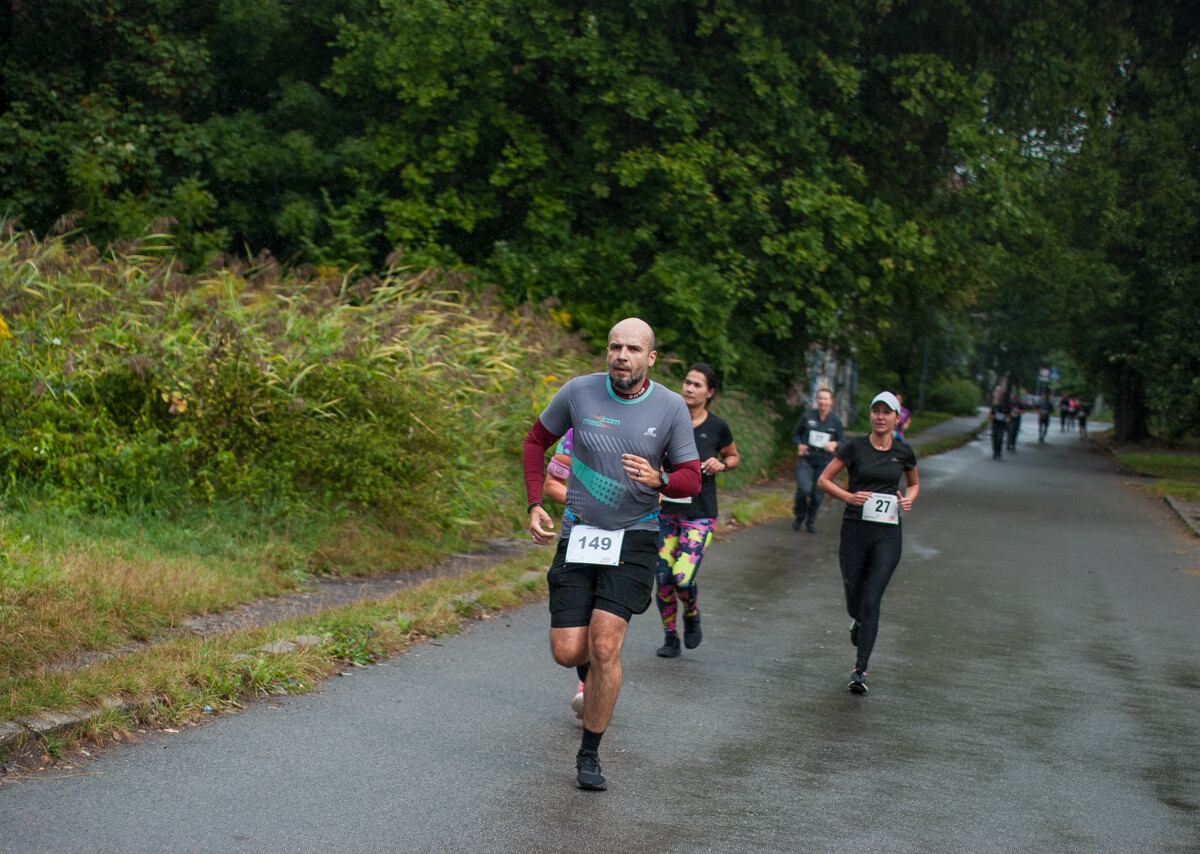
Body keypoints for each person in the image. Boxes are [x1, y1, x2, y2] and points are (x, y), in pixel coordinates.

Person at [523, 317, 701, 791]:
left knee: (606, 644)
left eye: (634, 349)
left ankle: (589, 755)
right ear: (607, 352)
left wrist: (659, 480)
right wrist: (535, 501)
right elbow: (535, 441)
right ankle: (588, 678)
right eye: (615, 347)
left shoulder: (669, 407)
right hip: (580, 531)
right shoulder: (578, 393)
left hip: (636, 535)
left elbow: (691, 477)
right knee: (569, 652)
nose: (623, 356)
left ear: (651, 357)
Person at [817, 391, 918, 694]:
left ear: (896, 417)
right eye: (876, 411)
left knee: (872, 599)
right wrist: (849, 497)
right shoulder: (854, 447)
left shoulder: (904, 451)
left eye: (887, 412)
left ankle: (860, 670)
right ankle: (858, 620)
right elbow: (824, 479)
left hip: (887, 532)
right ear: (871, 415)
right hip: (854, 530)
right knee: (855, 601)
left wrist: (908, 499)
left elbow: (913, 484)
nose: (880, 416)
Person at [655, 363, 739, 658]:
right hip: (666, 513)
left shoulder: (717, 427)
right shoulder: (668, 420)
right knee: (663, 578)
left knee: (682, 578)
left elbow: (733, 455)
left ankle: (691, 613)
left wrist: (722, 463)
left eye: (697, 385)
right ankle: (670, 636)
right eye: (687, 382)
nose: (689, 388)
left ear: (710, 392)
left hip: (700, 515)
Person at [791, 388, 844, 533]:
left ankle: (811, 521)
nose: (822, 402)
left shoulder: (835, 421)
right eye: (820, 398)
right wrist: (799, 444)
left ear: (831, 402)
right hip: (807, 458)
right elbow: (795, 434)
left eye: (825, 399)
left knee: (817, 493)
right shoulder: (807, 417)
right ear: (816, 400)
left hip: (824, 461)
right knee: (802, 489)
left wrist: (835, 444)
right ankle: (800, 516)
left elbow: (842, 441)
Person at [989, 393, 1011, 459]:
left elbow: (1009, 416)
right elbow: (990, 415)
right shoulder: (995, 407)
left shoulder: (1005, 408)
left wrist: (1007, 420)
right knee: (994, 438)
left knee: (999, 438)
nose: (1000, 404)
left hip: (1001, 425)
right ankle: (995, 451)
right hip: (995, 424)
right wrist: (994, 417)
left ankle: (999, 450)